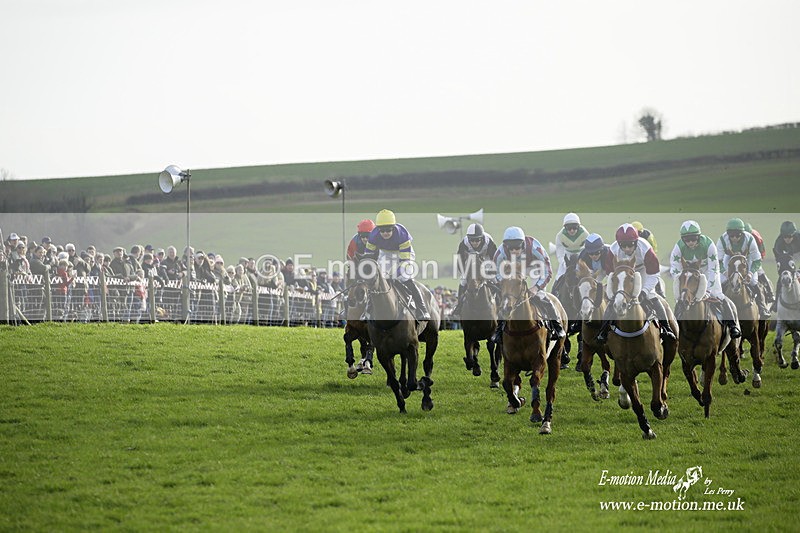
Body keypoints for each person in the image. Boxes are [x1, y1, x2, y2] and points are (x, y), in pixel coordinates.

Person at [596, 223, 676, 343]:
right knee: (614, 299)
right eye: (623, 246)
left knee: (651, 295)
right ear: (619, 244)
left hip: (643, 270)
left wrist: (644, 291)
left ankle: (666, 328)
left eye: (630, 245)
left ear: (636, 242)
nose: (627, 249)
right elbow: (610, 274)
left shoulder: (646, 248)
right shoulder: (613, 250)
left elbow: (654, 274)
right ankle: (602, 331)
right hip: (623, 272)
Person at [492, 226, 565, 342]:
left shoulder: (535, 248)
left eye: (517, 247)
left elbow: (547, 271)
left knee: (540, 295)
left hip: (534, 268)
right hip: (513, 270)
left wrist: (536, 288)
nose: (514, 251)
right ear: (506, 246)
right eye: (511, 248)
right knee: (506, 300)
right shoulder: (500, 253)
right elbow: (496, 273)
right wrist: (506, 286)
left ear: (523, 245)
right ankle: (499, 330)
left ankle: (557, 326)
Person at [669, 220, 741, 338]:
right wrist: (682, 285)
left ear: (698, 237)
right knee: (681, 299)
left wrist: (708, 290)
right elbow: (675, 269)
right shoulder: (678, 247)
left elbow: (714, 269)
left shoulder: (709, 244)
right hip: (689, 273)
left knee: (718, 295)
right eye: (687, 240)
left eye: (693, 239)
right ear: (683, 240)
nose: (690, 242)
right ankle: (675, 327)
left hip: (707, 271)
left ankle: (733, 326)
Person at [363, 209, 430, 320]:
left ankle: (422, 309)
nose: (385, 233)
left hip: (403, 254)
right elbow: (368, 256)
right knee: (377, 280)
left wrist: (395, 275)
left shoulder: (402, 235)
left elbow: (404, 262)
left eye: (388, 230)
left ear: (393, 228)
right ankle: (368, 309)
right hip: (386, 254)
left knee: (405, 278)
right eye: (382, 230)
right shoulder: (373, 236)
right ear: (378, 229)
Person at [717, 218, 769, 318]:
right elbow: (717, 261)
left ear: (742, 233)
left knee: (753, 281)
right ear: (728, 234)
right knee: (722, 280)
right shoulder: (722, 240)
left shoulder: (749, 239)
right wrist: (724, 272)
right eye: (731, 236)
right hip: (729, 257)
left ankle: (762, 307)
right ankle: (720, 306)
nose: (734, 238)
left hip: (747, 257)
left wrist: (750, 273)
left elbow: (757, 260)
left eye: (738, 235)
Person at [452, 222, 498, 316]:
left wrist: (489, 272)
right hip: (471, 261)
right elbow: (460, 261)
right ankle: (459, 304)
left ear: (482, 238)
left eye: (477, 240)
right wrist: (465, 273)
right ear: (468, 239)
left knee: (495, 279)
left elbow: (494, 259)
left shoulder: (488, 241)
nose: (474, 243)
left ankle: (501, 302)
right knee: (463, 281)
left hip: (486, 259)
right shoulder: (464, 243)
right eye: (472, 240)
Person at [771, 220, 800, 311]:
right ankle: (776, 302)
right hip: (788, 256)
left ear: (794, 235)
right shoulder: (779, 242)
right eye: (785, 237)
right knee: (781, 278)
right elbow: (779, 260)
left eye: (790, 236)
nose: (787, 239)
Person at [743, 221, 774, 305]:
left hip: (754, 256)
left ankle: (770, 293)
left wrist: (759, 261)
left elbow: (761, 250)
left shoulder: (756, 237)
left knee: (759, 272)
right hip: (741, 256)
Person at [554, 212, 589, 283]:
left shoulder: (585, 234)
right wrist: (563, 263)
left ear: (578, 226)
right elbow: (560, 251)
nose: (572, 230)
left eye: (574, 227)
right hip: (567, 256)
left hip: (581, 254)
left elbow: (588, 248)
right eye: (569, 228)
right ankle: (555, 289)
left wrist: (584, 260)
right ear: (565, 227)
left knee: (590, 275)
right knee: (558, 277)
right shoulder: (560, 236)